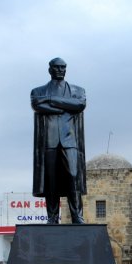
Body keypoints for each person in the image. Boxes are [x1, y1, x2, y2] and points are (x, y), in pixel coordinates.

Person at [31, 57, 87, 224]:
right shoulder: (38, 91)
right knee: (51, 180)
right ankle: (53, 217)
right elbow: (37, 105)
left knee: (73, 176)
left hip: (70, 141)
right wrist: (66, 107)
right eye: (57, 67)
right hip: (49, 140)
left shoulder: (78, 90)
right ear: (50, 69)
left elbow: (80, 105)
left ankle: (77, 215)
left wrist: (51, 100)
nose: (60, 70)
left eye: (63, 67)